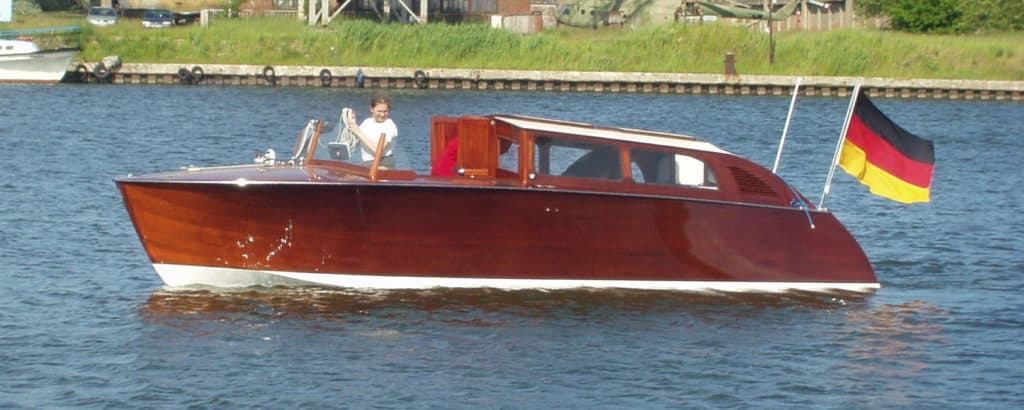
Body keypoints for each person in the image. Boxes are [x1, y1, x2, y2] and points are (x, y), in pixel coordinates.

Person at [344, 95, 398, 168]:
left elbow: (377, 150)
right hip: (366, 163)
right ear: (372, 109)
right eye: (379, 111)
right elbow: (354, 142)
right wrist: (351, 121)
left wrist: (358, 132)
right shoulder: (367, 122)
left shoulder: (390, 126)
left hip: (384, 163)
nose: (382, 114)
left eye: (385, 111)